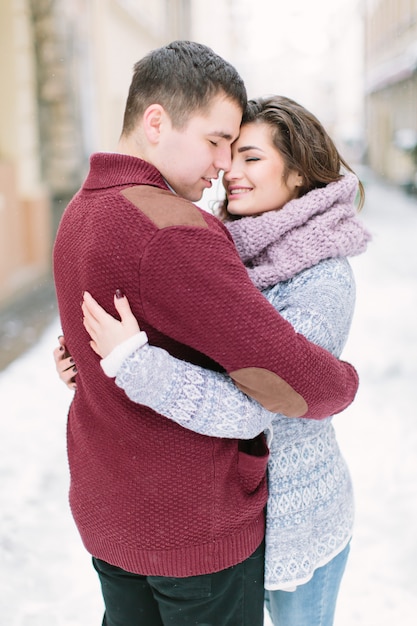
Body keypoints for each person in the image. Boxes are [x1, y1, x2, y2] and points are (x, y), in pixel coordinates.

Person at [53, 39, 361, 626]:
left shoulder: (79, 212)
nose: (225, 167)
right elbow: (277, 394)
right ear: (155, 122)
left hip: (119, 516)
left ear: (298, 175)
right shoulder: (177, 231)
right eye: (218, 143)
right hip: (189, 527)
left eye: (246, 154)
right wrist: (342, 385)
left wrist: (110, 364)